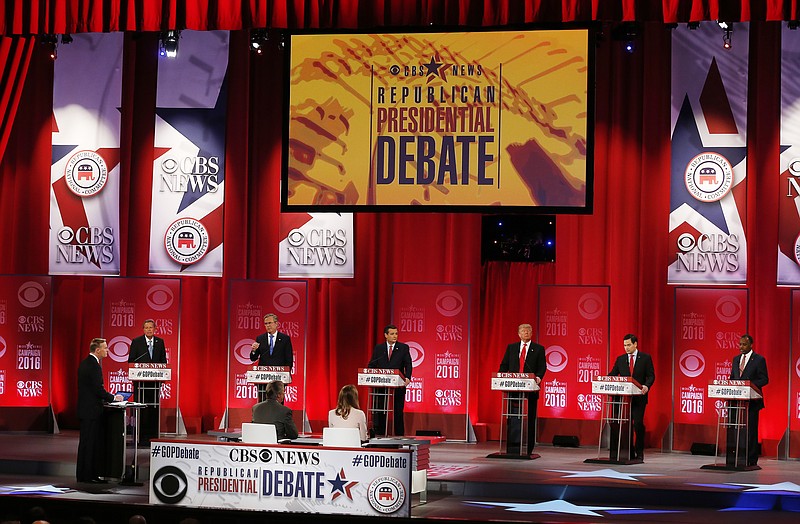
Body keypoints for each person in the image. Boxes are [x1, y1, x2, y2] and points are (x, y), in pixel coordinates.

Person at [77, 338, 122, 483]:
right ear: (98, 350)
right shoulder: (94, 366)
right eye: (105, 348)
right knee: (90, 444)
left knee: (85, 443)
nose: (107, 350)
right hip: (91, 411)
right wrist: (113, 398)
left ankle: (83, 474)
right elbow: (97, 389)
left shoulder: (84, 363)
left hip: (85, 410)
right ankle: (89, 476)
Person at [498, 323, 547, 456]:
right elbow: (504, 365)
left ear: (531, 334)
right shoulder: (511, 348)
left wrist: (538, 377)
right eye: (523, 331)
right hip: (513, 389)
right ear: (519, 334)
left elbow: (542, 367)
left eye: (528, 331)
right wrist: (501, 377)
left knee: (529, 418)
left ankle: (528, 448)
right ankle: (512, 447)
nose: (526, 332)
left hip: (530, 389)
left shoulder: (538, 349)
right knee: (513, 416)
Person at [608, 333, 655, 461]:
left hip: (639, 398)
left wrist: (646, 386)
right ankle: (629, 451)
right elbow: (612, 374)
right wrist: (605, 381)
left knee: (638, 424)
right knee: (624, 425)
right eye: (624, 345)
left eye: (628, 345)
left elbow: (651, 376)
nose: (626, 348)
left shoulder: (645, 358)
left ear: (635, 344)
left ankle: (639, 452)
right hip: (623, 399)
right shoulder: (620, 359)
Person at [730, 334, 768, 466]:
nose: (741, 347)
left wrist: (749, 385)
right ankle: (737, 457)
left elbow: (764, 379)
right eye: (740, 344)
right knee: (736, 430)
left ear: (751, 345)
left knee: (751, 430)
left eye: (744, 344)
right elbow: (732, 378)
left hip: (752, 402)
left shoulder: (758, 360)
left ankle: (751, 460)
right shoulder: (735, 360)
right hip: (736, 401)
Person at [367, 324, 412, 436]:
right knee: (380, 410)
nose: (395, 336)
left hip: (398, 384)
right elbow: (372, 364)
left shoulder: (403, 348)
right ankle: (379, 434)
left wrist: (408, 377)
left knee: (398, 411)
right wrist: (370, 372)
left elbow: (408, 364)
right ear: (386, 335)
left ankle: (399, 435)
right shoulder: (379, 348)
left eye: (396, 334)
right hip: (382, 384)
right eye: (392, 334)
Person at [127, 319, 167, 445]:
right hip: (140, 383)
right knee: (142, 409)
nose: (149, 329)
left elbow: (163, 361)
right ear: (143, 329)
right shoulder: (136, 342)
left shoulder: (159, 342)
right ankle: (141, 437)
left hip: (154, 383)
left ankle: (153, 436)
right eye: (146, 327)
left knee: (153, 409)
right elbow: (131, 360)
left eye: (151, 327)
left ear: (155, 329)